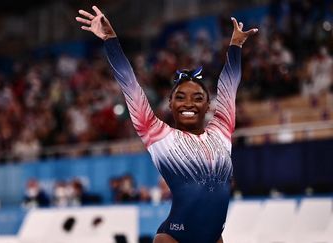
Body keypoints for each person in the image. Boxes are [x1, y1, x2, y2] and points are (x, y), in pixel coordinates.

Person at [76, 6, 258, 243]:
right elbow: (129, 84)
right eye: (180, 97)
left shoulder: (222, 130)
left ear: (207, 105)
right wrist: (110, 40)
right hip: (173, 239)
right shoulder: (158, 134)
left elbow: (229, 85)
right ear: (170, 104)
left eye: (198, 97)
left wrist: (235, 46)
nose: (188, 103)